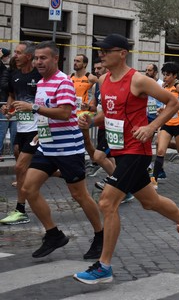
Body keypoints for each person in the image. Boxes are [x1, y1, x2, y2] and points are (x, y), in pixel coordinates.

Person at [73, 34, 179, 284]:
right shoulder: (103, 80)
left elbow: (174, 102)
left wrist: (151, 127)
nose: (101, 55)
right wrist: (91, 120)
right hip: (120, 149)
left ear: (122, 53)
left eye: (106, 50)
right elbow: (108, 113)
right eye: (99, 51)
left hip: (137, 150)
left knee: (107, 202)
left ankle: (104, 266)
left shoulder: (138, 80)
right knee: (150, 201)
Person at [13, 41, 103, 260]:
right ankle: (53, 234)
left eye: (43, 58)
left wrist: (32, 107)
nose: (38, 62)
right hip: (47, 145)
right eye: (36, 58)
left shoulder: (63, 81)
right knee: (28, 189)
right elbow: (47, 113)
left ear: (55, 59)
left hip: (68, 148)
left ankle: (101, 236)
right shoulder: (43, 82)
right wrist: (38, 132)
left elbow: (64, 113)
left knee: (79, 195)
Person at [0, 41, 42, 225]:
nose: (15, 56)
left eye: (19, 52)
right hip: (22, 127)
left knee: (20, 167)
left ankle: (20, 209)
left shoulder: (39, 76)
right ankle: (68, 172)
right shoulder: (15, 75)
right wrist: (8, 107)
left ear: (29, 56)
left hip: (36, 129)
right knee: (23, 161)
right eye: (15, 52)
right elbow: (13, 95)